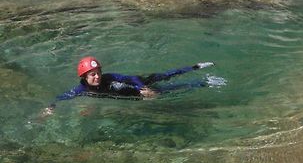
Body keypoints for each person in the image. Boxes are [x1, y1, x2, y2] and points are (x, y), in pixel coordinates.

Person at [43, 56, 215, 115]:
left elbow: (130, 78)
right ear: (84, 77)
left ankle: (197, 69)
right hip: (133, 97)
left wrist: (142, 88)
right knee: (169, 91)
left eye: (98, 73)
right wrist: (51, 108)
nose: (97, 77)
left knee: (166, 77)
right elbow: (61, 97)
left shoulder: (110, 78)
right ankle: (203, 82)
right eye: (92, 74)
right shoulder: (81, 89)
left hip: (137, 86)